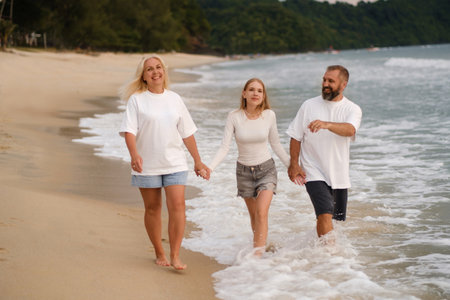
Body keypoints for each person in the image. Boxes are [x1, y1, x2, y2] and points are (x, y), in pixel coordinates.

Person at [119, 55, 209, 270]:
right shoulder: (137, 100)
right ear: (144, 76)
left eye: (158, 67)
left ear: (164, 72)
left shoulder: (175, 99)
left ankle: (175, 255)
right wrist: (134, 155)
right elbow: (129, 131)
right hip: (146, 164)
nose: (155, 72)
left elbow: (187, 133)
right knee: (153, 209)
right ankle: (159, 251)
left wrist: (198, 161)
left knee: (178, 206)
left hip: (175, 162)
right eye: (149, 69)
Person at [207, 78, 290, 255]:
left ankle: (257, 257)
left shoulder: (269, 115)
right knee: (254, 217)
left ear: (263, 95)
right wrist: (210, 168)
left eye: (259, 91)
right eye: (251, 90)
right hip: (244, 172)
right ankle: (261, 246)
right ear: (244, 94)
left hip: (266, 170)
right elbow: (224, 147)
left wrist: (292, 166)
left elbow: (276, 144)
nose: (255, 93)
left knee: (261, 213)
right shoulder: (234, 116)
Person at [286, 65, 362, 238]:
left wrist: (326, 124)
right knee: (324, 213)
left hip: (339, 175)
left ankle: (318, 252)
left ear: (343, 85)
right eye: (324, 80)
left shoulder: (352, 109)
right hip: (312, 171)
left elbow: (350, 130)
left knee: (336, 221)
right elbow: (295, 136)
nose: (325, 84)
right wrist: (294, 164)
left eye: (331, 81)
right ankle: (328, 256)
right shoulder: (309, 105)